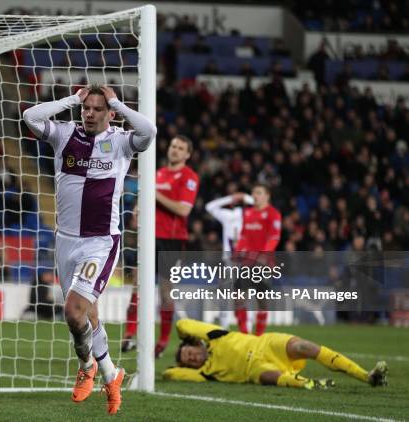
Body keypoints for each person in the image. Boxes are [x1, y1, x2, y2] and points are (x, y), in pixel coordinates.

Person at [23, 84, 156, 415]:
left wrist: (117, 103)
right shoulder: (65, 135)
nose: (91, 113)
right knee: (87, 314)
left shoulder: (122, 142)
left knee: (73, 310)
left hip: (100, 242)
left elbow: (149, 130)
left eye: (98, 109)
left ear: (109, 113)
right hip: (65, 240)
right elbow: (29, 116)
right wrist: (71, 100)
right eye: (87, 108)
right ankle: (112, 375)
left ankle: (86, 367)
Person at [122, 135, 199, 358]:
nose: (175, 150)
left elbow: (184, 210)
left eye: (180, 148)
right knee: (136, 284)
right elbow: (144, 200)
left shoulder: (189, 177)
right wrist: (138, 209)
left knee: (165, 293)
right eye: (173, 146)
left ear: (187, 154)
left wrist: (154, 194)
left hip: (172, 240)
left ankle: (163, 340)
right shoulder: (158, 174)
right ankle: (129, 335)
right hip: (148, 237)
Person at [163, 319, 389, 389]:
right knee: (268, 377)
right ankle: (310, 384)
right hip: (254, 370)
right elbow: (171, 374)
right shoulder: (204, 373)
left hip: (267, 344)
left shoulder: (213, 335)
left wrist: (185, 338)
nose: (191, 358)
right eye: (188, 361)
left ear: (195, 343)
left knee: (305, 347)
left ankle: (367, 376)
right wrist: (180, 367)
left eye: (189, 352)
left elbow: (182, 323)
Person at [234, 184, 281, 336]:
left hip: (264, 263)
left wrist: (264, 256)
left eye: (259, 193)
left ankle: (259, 336)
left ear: (267, 196)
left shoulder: (273, 214)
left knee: (262, 301)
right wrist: (237, 251)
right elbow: (243, 236)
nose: (255, 196)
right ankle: (244, 335)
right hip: (247, 261)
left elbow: (273, 238)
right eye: (254, 193)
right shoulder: (248, 213)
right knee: (239, 297)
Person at [205, 192, 254, 330]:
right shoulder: (249, 214)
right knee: (242, 294)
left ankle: (225, 326)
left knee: (227, 293)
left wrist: (231, 197)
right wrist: (244, 197)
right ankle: (246, 327)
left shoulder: (230, 215)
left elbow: (209, 207)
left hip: (236, 260)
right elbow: (262, 205)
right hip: (239, 260)